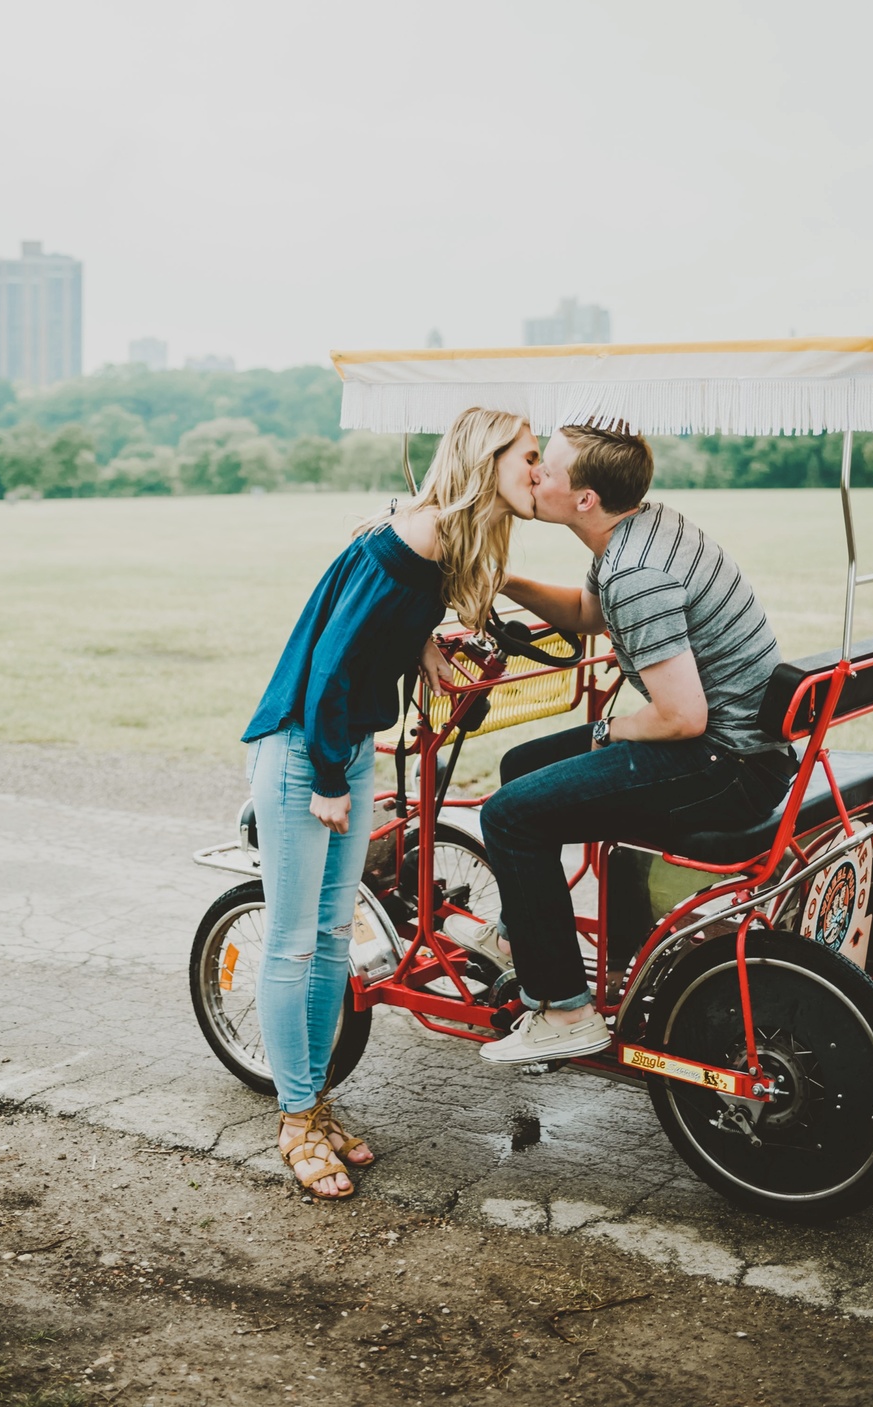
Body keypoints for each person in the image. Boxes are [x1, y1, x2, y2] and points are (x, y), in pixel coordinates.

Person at [242, 407, 541, 1197]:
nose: (539, 473)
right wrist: (335, 784)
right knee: (295, 942)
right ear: (488, 459)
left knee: (334, 937)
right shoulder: (424, 534)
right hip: (307, 749)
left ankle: (314, 1103)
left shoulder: (439, 535)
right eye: (530, 457)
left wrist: (422, 644)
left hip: (337, 745)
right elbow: (333, 665)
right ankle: (295, 1118)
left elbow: (376, 617)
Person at [472, 424, 790, 1065]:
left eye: (547, 470)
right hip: (747, 748)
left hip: (723, 766)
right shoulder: (642, 527)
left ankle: (565, 1011)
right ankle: (521, 932)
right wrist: (503, 580)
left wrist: (603, 731)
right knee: (520, 765)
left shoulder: (635, 571)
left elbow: (680, 718)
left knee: (506, 816)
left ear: (585, 499)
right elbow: (589, 615)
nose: (532, 475)